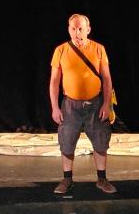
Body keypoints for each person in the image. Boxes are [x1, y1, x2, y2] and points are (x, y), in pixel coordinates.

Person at [50, 13, 116, 195]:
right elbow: (54, 81)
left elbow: (107, 79)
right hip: (70, 105)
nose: (77, 32)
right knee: (66, 141)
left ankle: (102, 179)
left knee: (100, 141)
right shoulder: (61, 50)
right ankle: (67, 179)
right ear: (68, 30)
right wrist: (55, 107)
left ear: (88, 30)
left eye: (80, 29)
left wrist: (106, 104)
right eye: (73, 28)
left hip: (95, 104)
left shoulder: (99, 49)